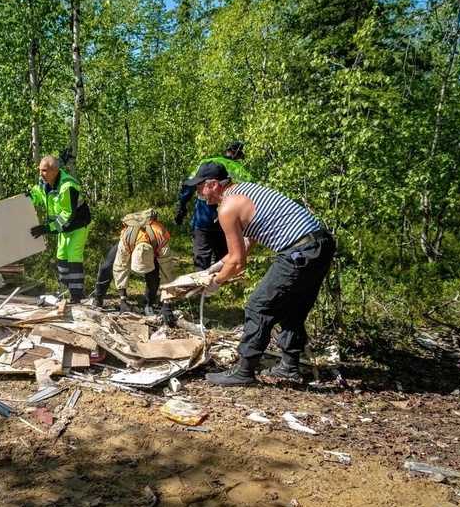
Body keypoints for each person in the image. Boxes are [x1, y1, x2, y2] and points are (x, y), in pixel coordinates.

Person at [183, 161, 335, 386]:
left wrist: (216, 282)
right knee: (294, 306)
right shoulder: (246, 191)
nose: (200, 194)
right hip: (321, 244)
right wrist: (217, 266)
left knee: (258, 306)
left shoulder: (227, 207)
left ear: (214, 184)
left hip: (299, 251)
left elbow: (238, 262)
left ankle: (244, 371)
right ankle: (289, 366)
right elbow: (247, 241)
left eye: (200, 188)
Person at [174, 142, 254, 271]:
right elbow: (249, 194)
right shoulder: (241, 170)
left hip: (203, 218)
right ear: (238, 155)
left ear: (227, 151)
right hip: (229, 221)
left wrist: (181, 204)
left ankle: (200, 287)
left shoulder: (207, 163)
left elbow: (189, 186)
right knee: (223, 257)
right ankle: (221, 286)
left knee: (201, 257)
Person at [92, 214, 177, 326]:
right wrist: (122, 299)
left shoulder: (161, 241)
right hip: (131, 241)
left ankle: (149, 303)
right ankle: (98, 299)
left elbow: (168, 273)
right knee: (107, 267)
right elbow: (120, 267)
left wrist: (167, 303)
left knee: (154, 275)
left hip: (154, 244)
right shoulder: (127, 239)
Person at [28, 156, 92, 303]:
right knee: (61, 257)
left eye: (44, 170)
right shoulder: (45, 183)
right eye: (40, 170)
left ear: (55, 171)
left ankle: (76, 296)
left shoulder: (67, 186)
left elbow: (66, 216)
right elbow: (38, 195)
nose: (41, 174)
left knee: (73, 256)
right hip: (63, 228)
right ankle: (64, 292)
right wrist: (28, 198)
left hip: (78, 225)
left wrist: (46, 228)